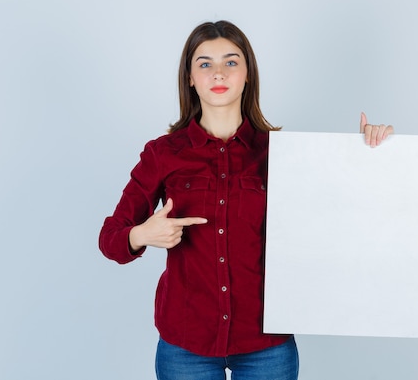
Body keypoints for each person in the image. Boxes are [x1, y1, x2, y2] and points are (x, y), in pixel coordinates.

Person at [99, 20, 393, 380]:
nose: (218, 72)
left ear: (248, 74)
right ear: (190, 77)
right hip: (185, 345)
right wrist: (142, 235)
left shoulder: (282, 154)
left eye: (231, 61)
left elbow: (341, 220)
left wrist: (371, 155)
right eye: (205, 63)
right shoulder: (163, 154)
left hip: (266, 345)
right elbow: (110, 238)